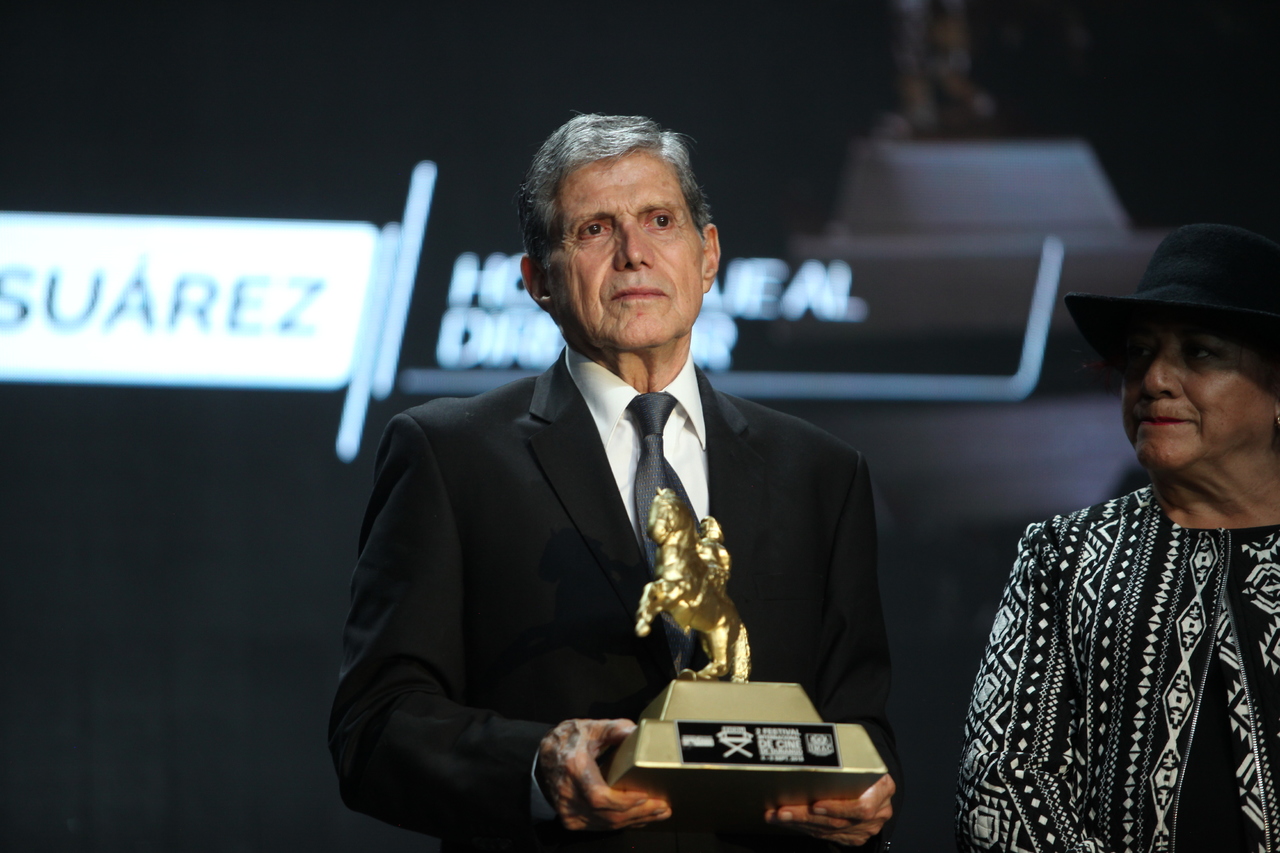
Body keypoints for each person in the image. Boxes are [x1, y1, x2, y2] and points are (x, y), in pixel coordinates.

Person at [329, 114, 900, 852]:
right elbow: (375, 724)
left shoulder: (821, 472)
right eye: (595, 230)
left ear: (708, 254)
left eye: (660, 220)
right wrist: (536, 767)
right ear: (538, 280)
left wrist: (871, 798)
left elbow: (863, 728)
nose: (634, 253)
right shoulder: (448, 454)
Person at [956, 223, 1280, 852]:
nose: (1154, 379)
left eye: (1200, 352)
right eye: (1139, 353)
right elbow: (1003, 786)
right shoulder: (1066, 555)